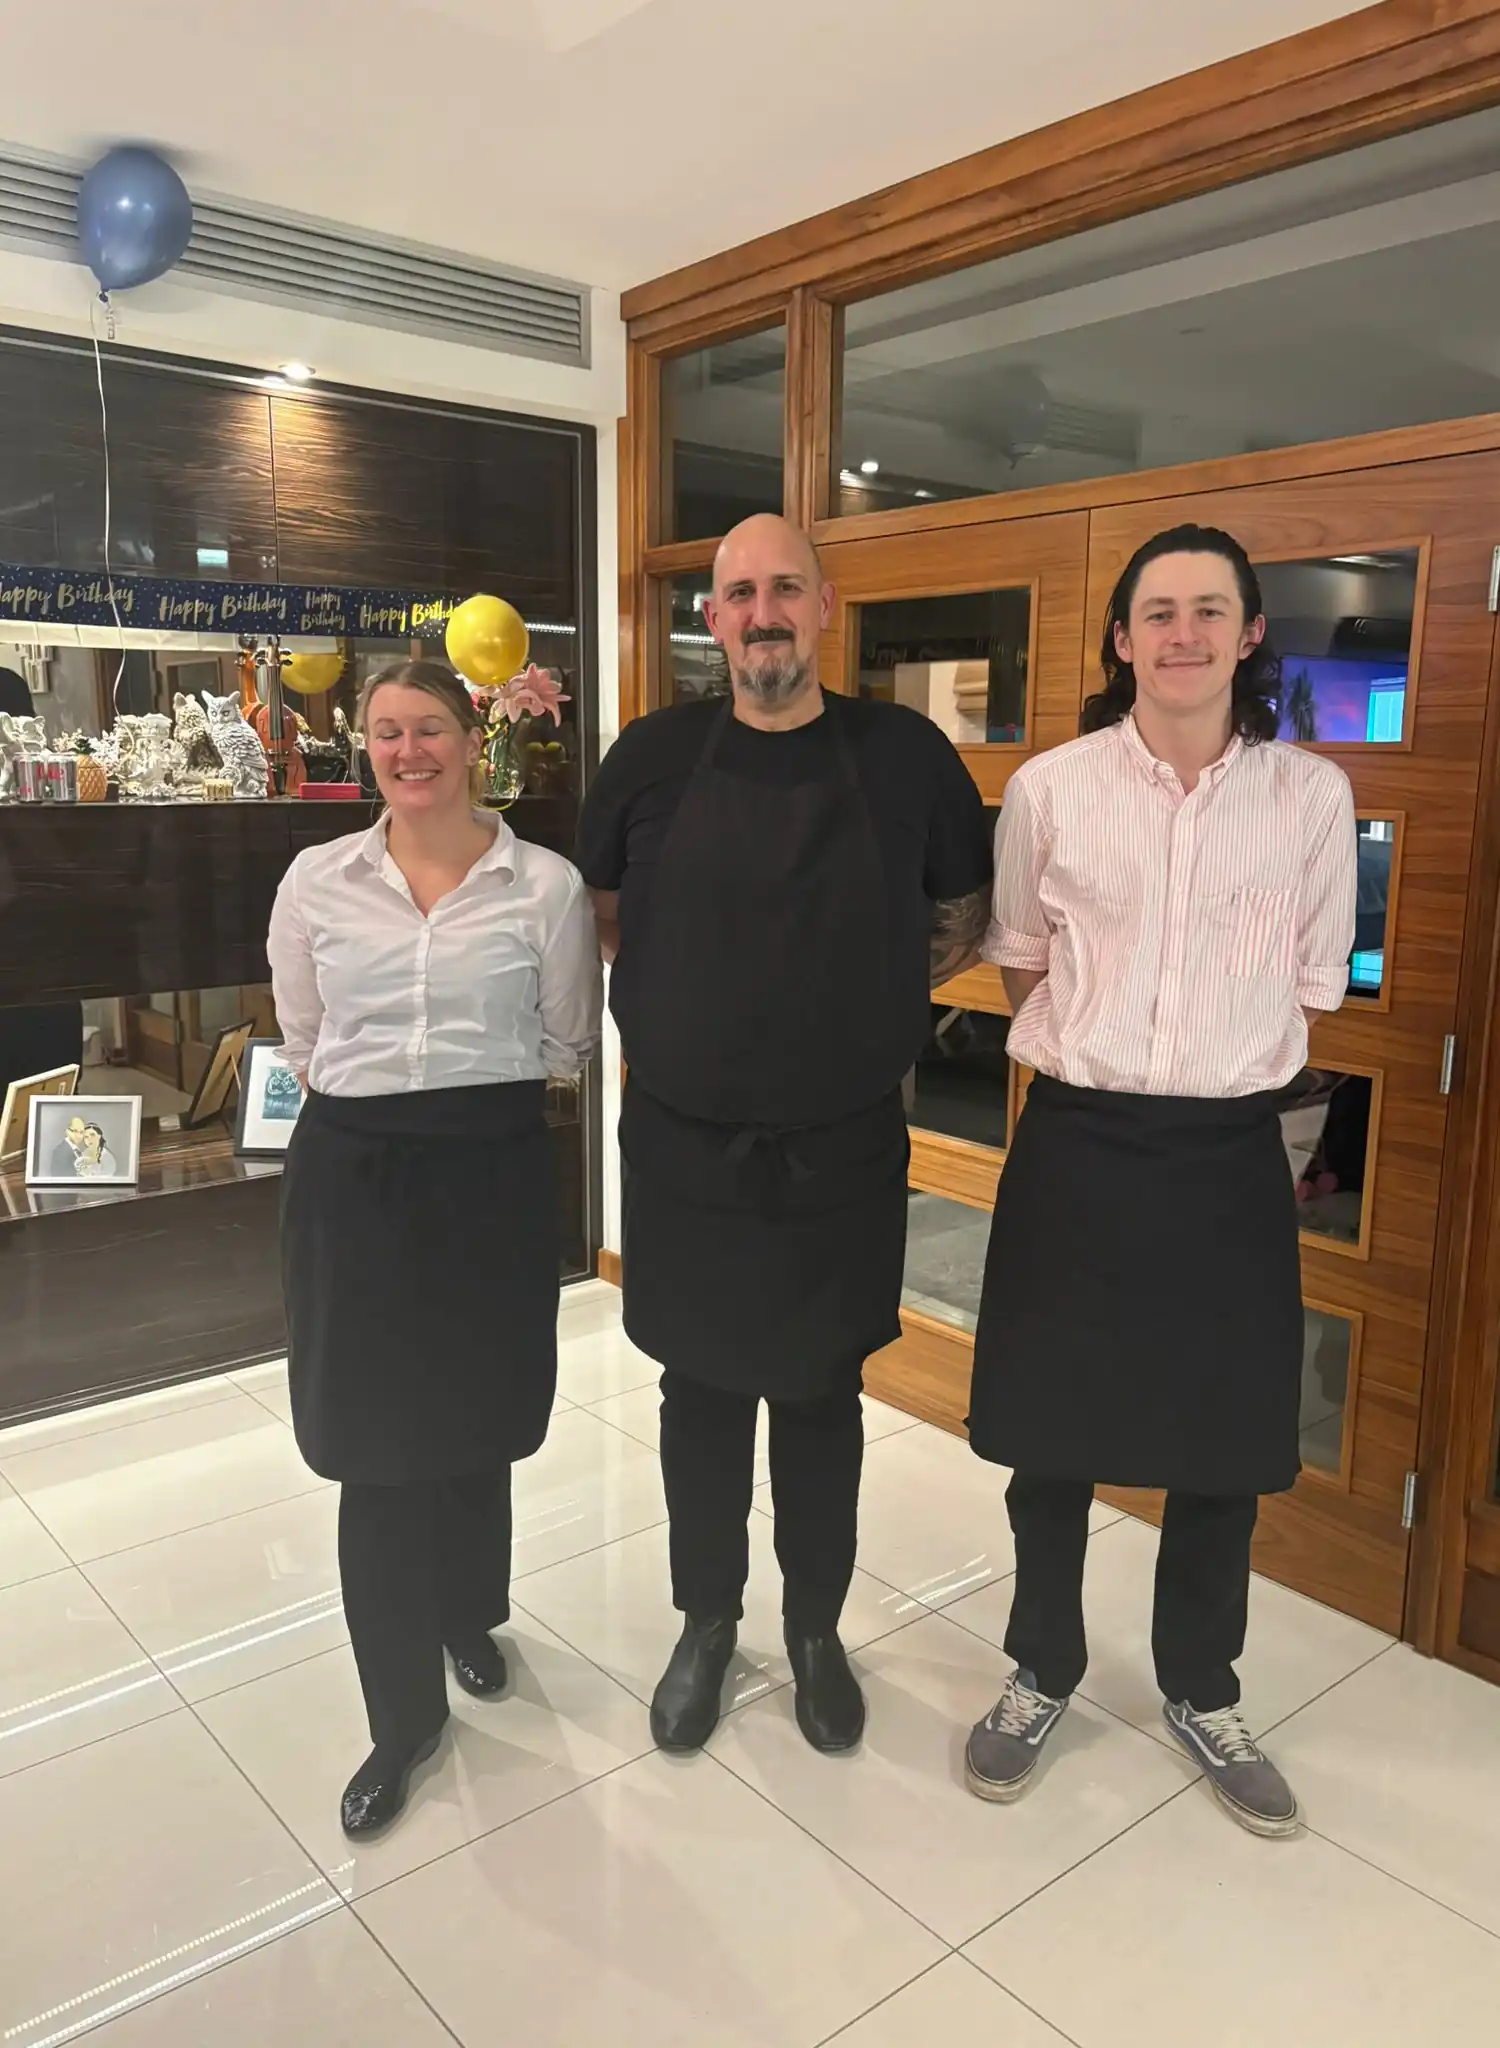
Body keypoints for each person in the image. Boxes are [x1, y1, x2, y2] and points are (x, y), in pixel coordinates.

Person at [963, 524, 1356, 1838]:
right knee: (1048, 1434)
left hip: (1230, 1154)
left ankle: (1202, 1684)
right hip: (1079, 1143)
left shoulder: (1308, 802)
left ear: (1249, 634)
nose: (1182, 633)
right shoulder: (1053, 790)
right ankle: (1042, 1666)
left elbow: (1308, 985)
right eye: (1157, 612)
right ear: (1122, 637)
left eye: (1210, 610)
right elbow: (1025, 960)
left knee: (1226, 1442)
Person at [578, 513, 992, 1757]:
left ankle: (815, 1628)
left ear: (824, 606)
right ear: (713, 616)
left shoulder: (907, 755)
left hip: (841, 1151)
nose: (762, 611)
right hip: (686, 1149)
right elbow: (606, 916)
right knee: (697, 1396)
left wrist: (841, 1018)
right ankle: (707, 1620)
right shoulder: (647, 758)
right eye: (738, 591)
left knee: (821, 1398)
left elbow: (958, 922)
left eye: (785, 589)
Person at [267, 658, 601, 1838]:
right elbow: (305, 1037)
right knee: (376, 1444)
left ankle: (473, 1610)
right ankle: (399, 1716)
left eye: (431, 730)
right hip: (355, 1176)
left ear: (475, 743)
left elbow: (565, 1035)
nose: (408, 751)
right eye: (386, 733)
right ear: (366, 747)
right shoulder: (316, 881)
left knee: (480, 1411)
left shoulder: (544, 884)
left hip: (490, 1171)